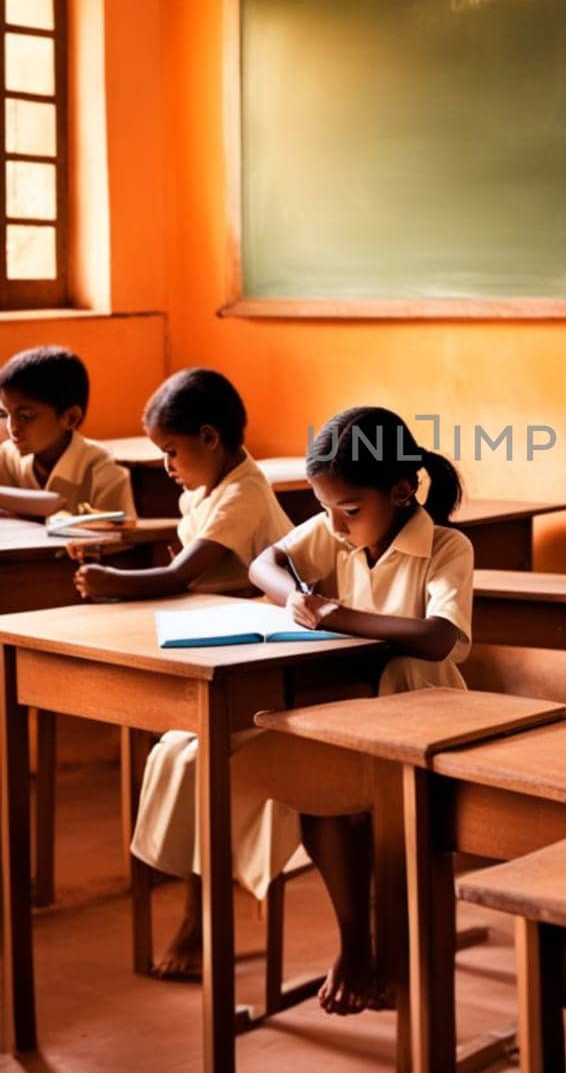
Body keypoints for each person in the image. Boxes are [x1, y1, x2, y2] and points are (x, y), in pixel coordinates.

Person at [249, 404, 473, 1015]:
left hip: (422, 712)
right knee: (316, 793)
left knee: (392, 829)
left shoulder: (447, 546)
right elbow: (262, 563)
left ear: (402, 490)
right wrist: (298, 595)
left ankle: (402, 959)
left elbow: (437, 638)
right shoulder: (335, 526)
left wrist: (339, 617)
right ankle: (355, 942)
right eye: (324, 509)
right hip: (350, 706)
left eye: (348, 510)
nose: (335, 525)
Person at [76, 367, 292, 977]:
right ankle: (189, 904)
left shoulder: (244, 493)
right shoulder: (199, 493)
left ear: (209, 437)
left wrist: (112, 580)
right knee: (171, 752)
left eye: (171, 452)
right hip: (220, 657)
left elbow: (181, 577)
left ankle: (202, 917)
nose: (166, 465)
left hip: (264, 667)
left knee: (196, 762)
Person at [0, 345, 134, 518]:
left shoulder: (104, 471)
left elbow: (120, 538)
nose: (12, 428)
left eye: (25, 416)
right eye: (4, 414)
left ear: (71, 418)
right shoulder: (6, 458)